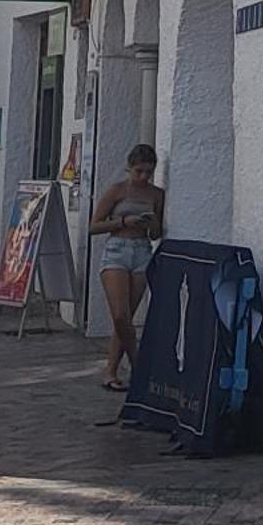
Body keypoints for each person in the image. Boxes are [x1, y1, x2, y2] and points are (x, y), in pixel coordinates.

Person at [90, 144, 164, 391]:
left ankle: (111, 370)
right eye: (139, 171)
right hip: (117, 250)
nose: (144, 177)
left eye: (149, 172)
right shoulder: (117, 191)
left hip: (142, 250)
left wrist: (151, 223)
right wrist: (123, 221)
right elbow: (94, 226)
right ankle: (137, 363)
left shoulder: (156, 195)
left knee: (128, 318)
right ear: (129, 169)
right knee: (120, 314)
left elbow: (156, 234)